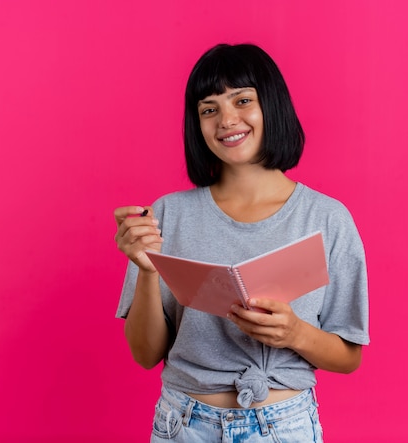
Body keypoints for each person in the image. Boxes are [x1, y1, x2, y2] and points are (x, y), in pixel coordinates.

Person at [113, 43, 369, 442]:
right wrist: (148, 272)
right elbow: (145, 355)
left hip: (285, 426)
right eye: (209, 109)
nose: (227, 120)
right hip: (184, 425)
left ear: (272, 105)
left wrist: (294, 334)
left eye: (242, 100)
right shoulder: (167, 215)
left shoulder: (327, 218)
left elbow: (349, 357)